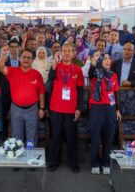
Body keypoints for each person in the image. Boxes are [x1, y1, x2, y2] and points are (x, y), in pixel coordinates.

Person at [47, 43, 84, 174]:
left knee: (71, 138)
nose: (67, 53)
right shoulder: (56, 66)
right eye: (64, 51)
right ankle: (55, 161)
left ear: (73, 53)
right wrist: (53, 66)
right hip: (56, 108)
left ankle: (73, 163)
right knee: (56, 137)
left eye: (69, 51)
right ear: (60, 53)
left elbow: (80, 91)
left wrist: (79, 108)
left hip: (71, 109)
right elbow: (49, 80)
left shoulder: (78, 69)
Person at [0, 46, 45, 146]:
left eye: (29, 58)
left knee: (32, 137)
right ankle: (18, 160)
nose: (26, 59)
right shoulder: (13, 71)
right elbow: (1, 67)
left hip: (32, 109)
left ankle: (32, 160)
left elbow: (41, 92)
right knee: (17, 137)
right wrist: (3, 55)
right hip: (16, 109)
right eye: (24, 57)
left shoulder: (37, 74)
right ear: (19, 59)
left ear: (32, 60)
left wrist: (41, 108)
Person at [88, 52, 121, 175]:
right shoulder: (95, 73)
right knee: (96, 137)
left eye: (108, 59)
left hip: (110, 109)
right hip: (97, 108)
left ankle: (106, 162)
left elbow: (116, 92)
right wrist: (93, 62)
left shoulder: (114, 75)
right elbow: (90, 72)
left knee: (108, 136)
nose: (107, 61)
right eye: (104, 59)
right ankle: (95, 163)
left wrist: (117, 109)